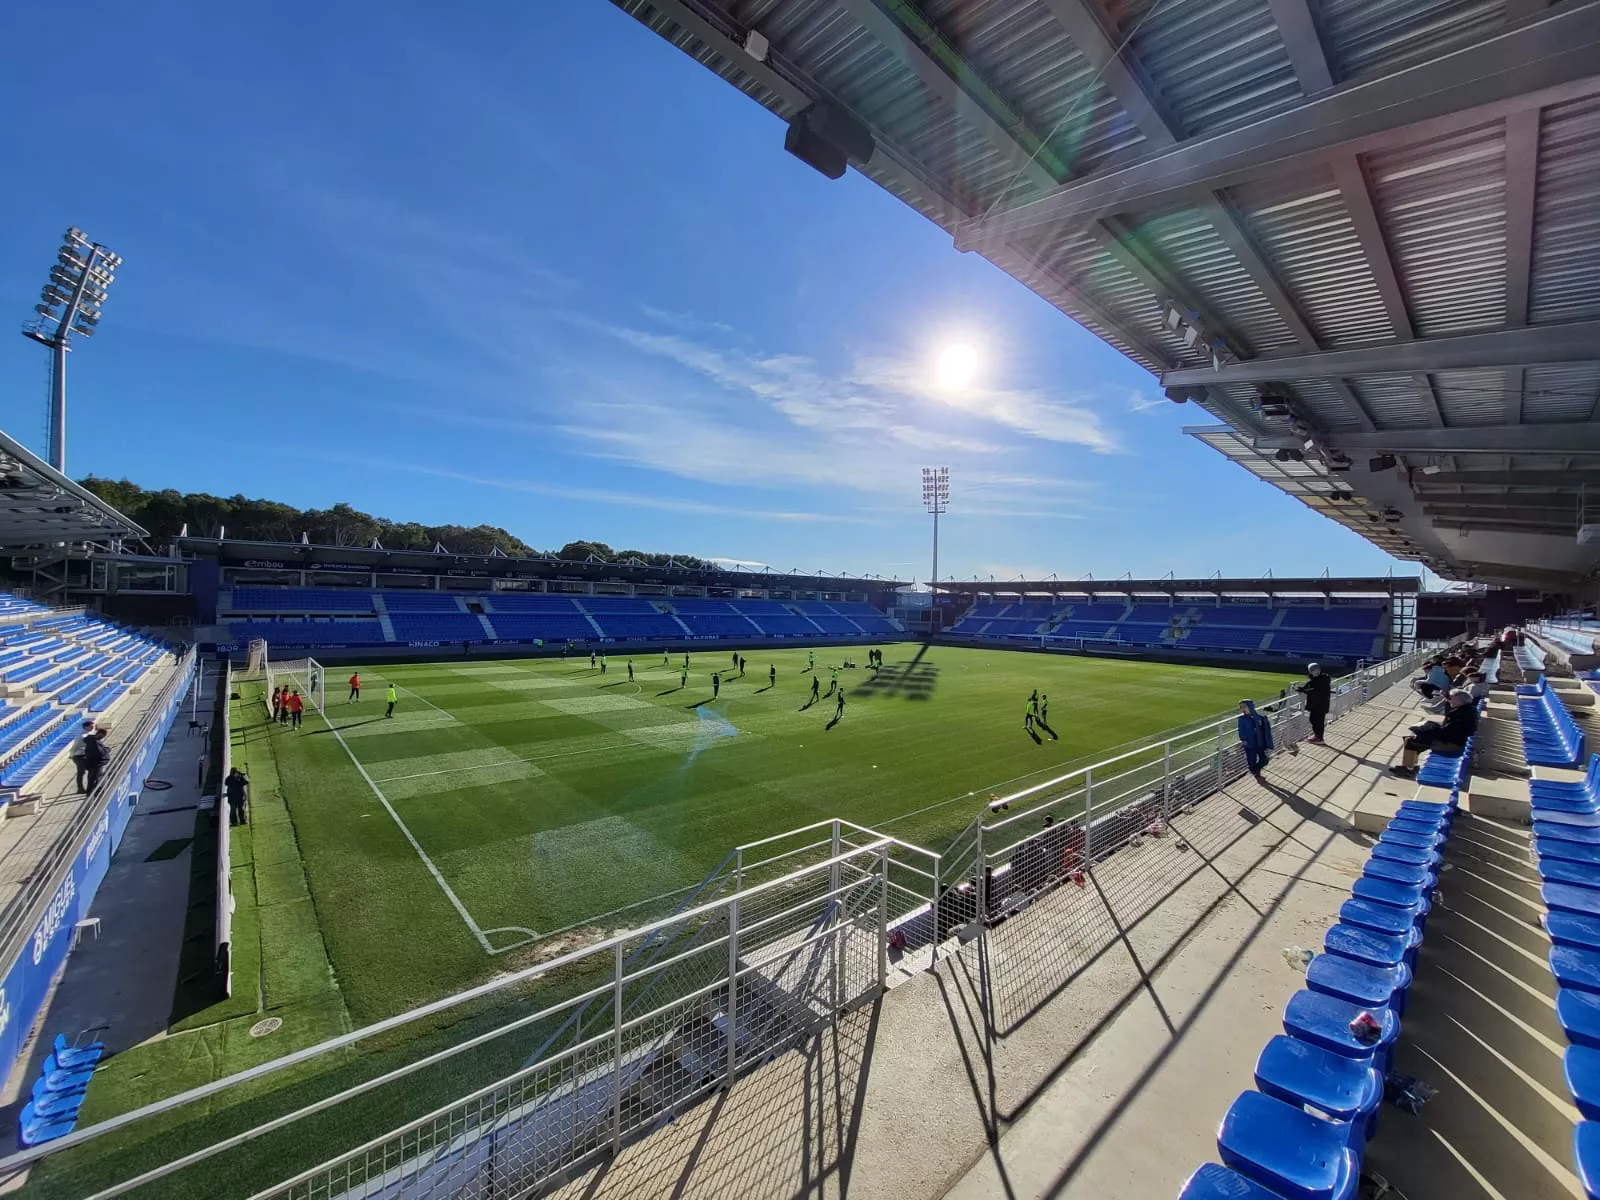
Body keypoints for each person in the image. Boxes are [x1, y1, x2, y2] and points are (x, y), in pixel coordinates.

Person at [1392, 690, 1479, 778]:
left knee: (1411, 741)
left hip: (1454, 745)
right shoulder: (1467, 710)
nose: (1448, 700)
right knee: (1418, 740)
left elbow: (1447, 733)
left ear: (1458, 700)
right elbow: (1449, 729)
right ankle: (1410, 767)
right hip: (1458, 741)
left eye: (1450, 698)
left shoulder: (1459, 714)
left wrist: (1427, 730)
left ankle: (1409, 769)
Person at [1236, 700, 1274, 779]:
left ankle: (1255, 769)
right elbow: (1241, 731)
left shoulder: (1259, 717)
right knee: (1251, 760)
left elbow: (1265, 729)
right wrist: (1243, 740)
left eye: (1244, 707)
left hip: (1259, 742)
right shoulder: (1242, 719)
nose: (1242, 709)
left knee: (1264, 759)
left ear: (1251, 707)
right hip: (1249, 743)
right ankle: (1256, 772)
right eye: (1241, 707)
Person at [1297, 663, 1331, 744]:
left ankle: (1319, 738)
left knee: (1318, 721)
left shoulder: (1322, 680)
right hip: (1316, 705)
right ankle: (1317, 737)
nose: (1316, 672)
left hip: (1320, 705)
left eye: (1317, 670)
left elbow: (1313, 689)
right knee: (1313, 720)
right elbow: (1310, 687)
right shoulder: (1317, 680)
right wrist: (1302, 689)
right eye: (1314, 670)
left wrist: (1303, 690)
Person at [69, 719, 96, 793]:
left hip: (86, 755)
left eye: (93, 726)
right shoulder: (81, 736)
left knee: (85, 771)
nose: (92, 728)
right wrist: (72, 755)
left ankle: (86, 787)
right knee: (82, 772)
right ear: (85, 727)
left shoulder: (91, 734)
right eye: (90, 726)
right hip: (79, 755)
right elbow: (75, 746)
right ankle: (81, 788)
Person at [82, 726, 109, 793]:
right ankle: (92, 793)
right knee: (94, 778)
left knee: (92, 778)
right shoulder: (94, 742)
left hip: (93, 763)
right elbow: (99, 752)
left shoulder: (92, 740)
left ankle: (91, 791)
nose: (103, 737)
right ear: (99, 733)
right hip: (96, 763)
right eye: (103, 736)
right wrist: (106, 750)